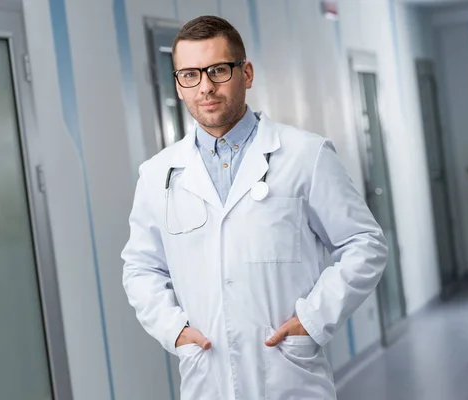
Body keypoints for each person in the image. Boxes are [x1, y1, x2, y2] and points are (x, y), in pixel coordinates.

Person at [121, 15, 388, 400]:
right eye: (190, 75)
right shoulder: (158, 175)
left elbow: (365, 244)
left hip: (289, 375)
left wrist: (313, 320)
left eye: (218, 70)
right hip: (206, 376)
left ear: (246, 73)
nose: (206, 87)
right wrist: (173, 330)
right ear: (178, 86)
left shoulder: (304, 155)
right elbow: (141, 267)